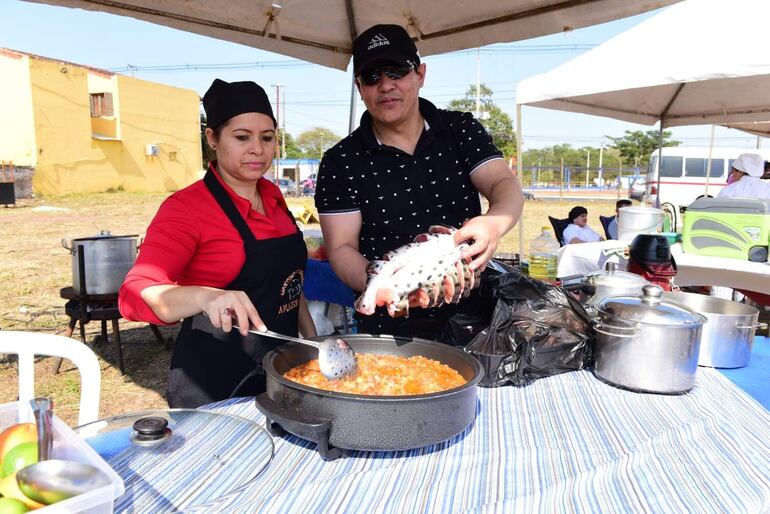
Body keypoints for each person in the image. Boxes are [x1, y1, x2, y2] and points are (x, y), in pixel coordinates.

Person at [315, 24, 524, 340]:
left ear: (420, 74)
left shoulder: (460, 129)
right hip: (390, 330)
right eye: (372, 76)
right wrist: (381, 286)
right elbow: (341, 247)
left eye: (396, 71)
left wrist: (493, 224)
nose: (386, 85)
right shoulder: (340, 161)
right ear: (360, 87)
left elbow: (501, 183)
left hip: (475, 318)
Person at [119, 78, 316, 408]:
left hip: (282, 371)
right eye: (242, 137)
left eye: (266, 138)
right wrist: (204, 295)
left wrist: (313, 343)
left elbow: (290, 286)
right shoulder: (186, 209)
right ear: (212, 138)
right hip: (214, 383)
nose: (257, 149)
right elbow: (134, 292)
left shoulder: (275, 196)